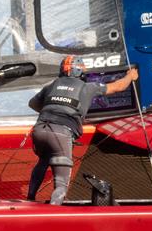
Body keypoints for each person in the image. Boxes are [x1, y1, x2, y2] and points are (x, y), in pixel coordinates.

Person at [27, 55, 139, 205]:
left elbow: (32, 104)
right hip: (61, 133)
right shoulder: (88, 87)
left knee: (43, 161)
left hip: (39, 130)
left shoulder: (51, 85)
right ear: (80, 72)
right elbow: (117, 87)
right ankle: (53, 213)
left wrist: (53, 109)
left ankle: (29, 199)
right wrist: (130, 76)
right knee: (61, 185)